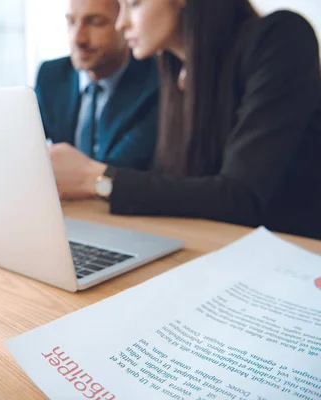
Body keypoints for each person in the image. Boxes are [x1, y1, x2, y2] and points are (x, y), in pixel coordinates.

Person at [48, 0, 321, 240]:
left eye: (134, 4)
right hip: (221, 248)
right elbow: (177, 184)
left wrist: (95, 177)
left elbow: (241, 197)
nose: (121, 24)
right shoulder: (174, 68)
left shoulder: (281, 38)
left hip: (294, 257)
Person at [35, 0, 159, 169]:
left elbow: (123, 168)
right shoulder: (51, 75)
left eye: (96, 22)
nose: (78, 38)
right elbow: (22, 145)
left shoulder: (155, 82)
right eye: (71, 21)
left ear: (125, 23)